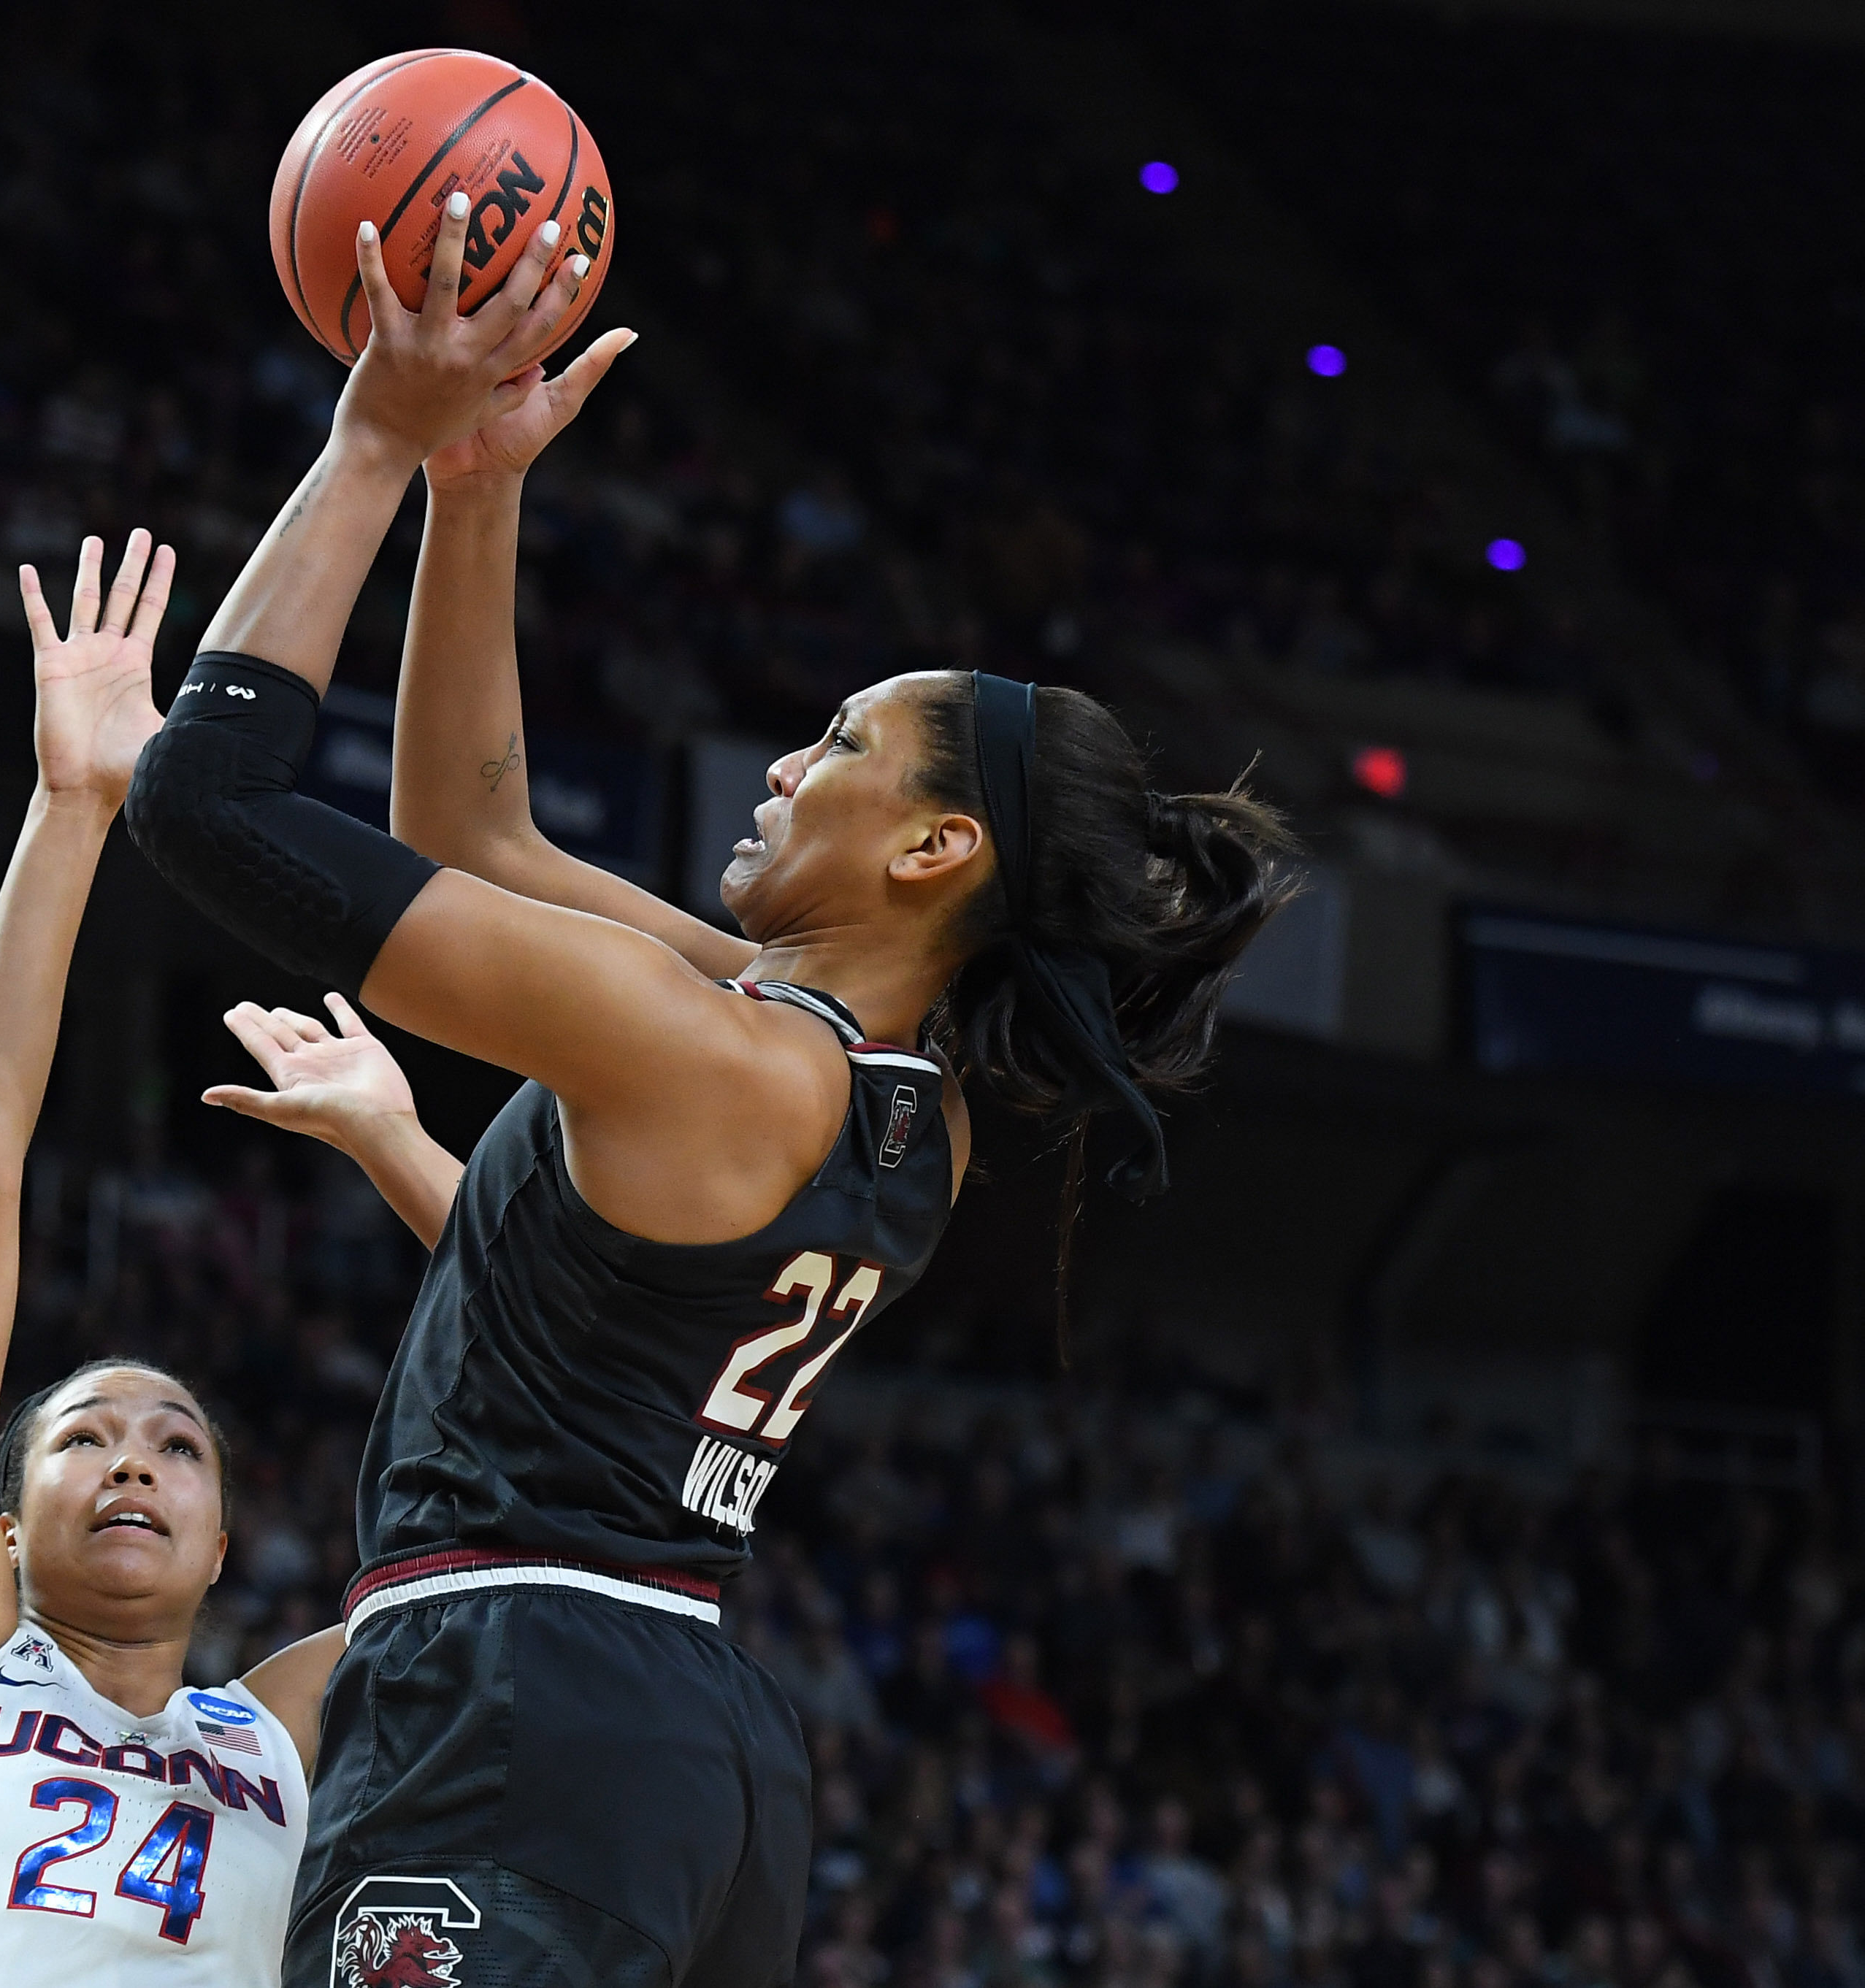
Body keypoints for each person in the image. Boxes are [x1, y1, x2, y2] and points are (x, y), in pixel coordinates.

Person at [128, 199, 1293, 1985]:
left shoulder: (701, 1041)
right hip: (687, 1738)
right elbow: (473, 837)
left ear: (935, 844)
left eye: (836, 743)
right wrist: (475, 486)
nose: (784, 760)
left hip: (515, 1703)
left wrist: (371, 434)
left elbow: (206, 803)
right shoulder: (897, 1095)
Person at [0, 529, 343, 1986]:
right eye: (85, 1438)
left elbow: (513, 1549)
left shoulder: (276, 1727)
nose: (130, 1463)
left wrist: (417, 1161)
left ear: (225, 1544)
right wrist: (73, 809)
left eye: (176, 1447)